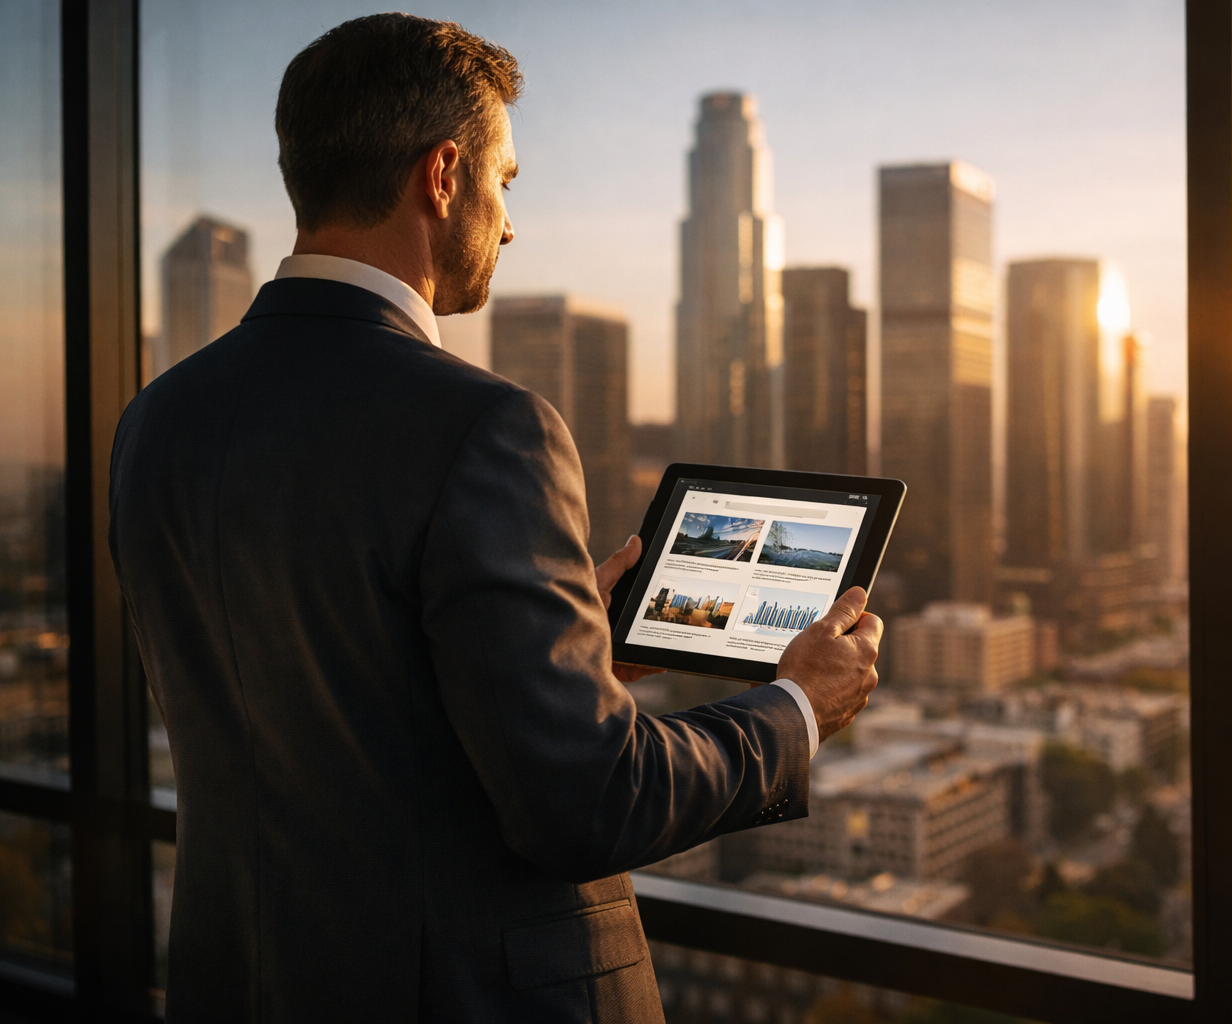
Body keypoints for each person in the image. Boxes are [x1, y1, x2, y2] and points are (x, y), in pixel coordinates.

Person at [109, 14, 881, 1023]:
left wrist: (566, 654)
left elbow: (338, 700)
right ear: (443, 175)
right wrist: (795, 709)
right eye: (503, 181)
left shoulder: (158, 418)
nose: (509, 222)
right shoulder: (486, 427)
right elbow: (587, 802)